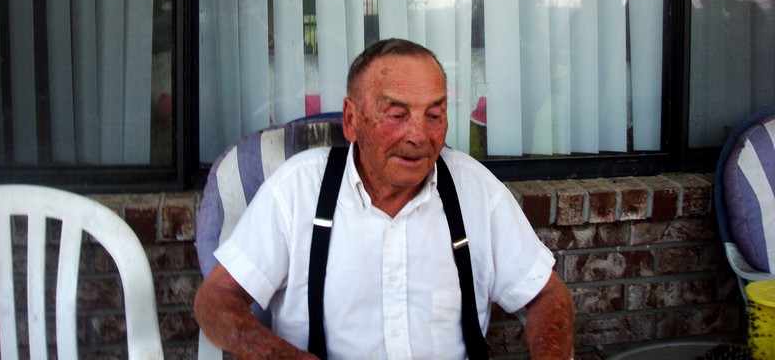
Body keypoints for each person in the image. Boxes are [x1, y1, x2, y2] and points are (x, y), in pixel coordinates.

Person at [194, 38, 575, 359]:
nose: (419, 136)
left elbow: (547, 294)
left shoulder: (474, 189)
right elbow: (215, 300)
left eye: (434, 115)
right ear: (351, 120)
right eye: (396, 115)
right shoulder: (298, 189)